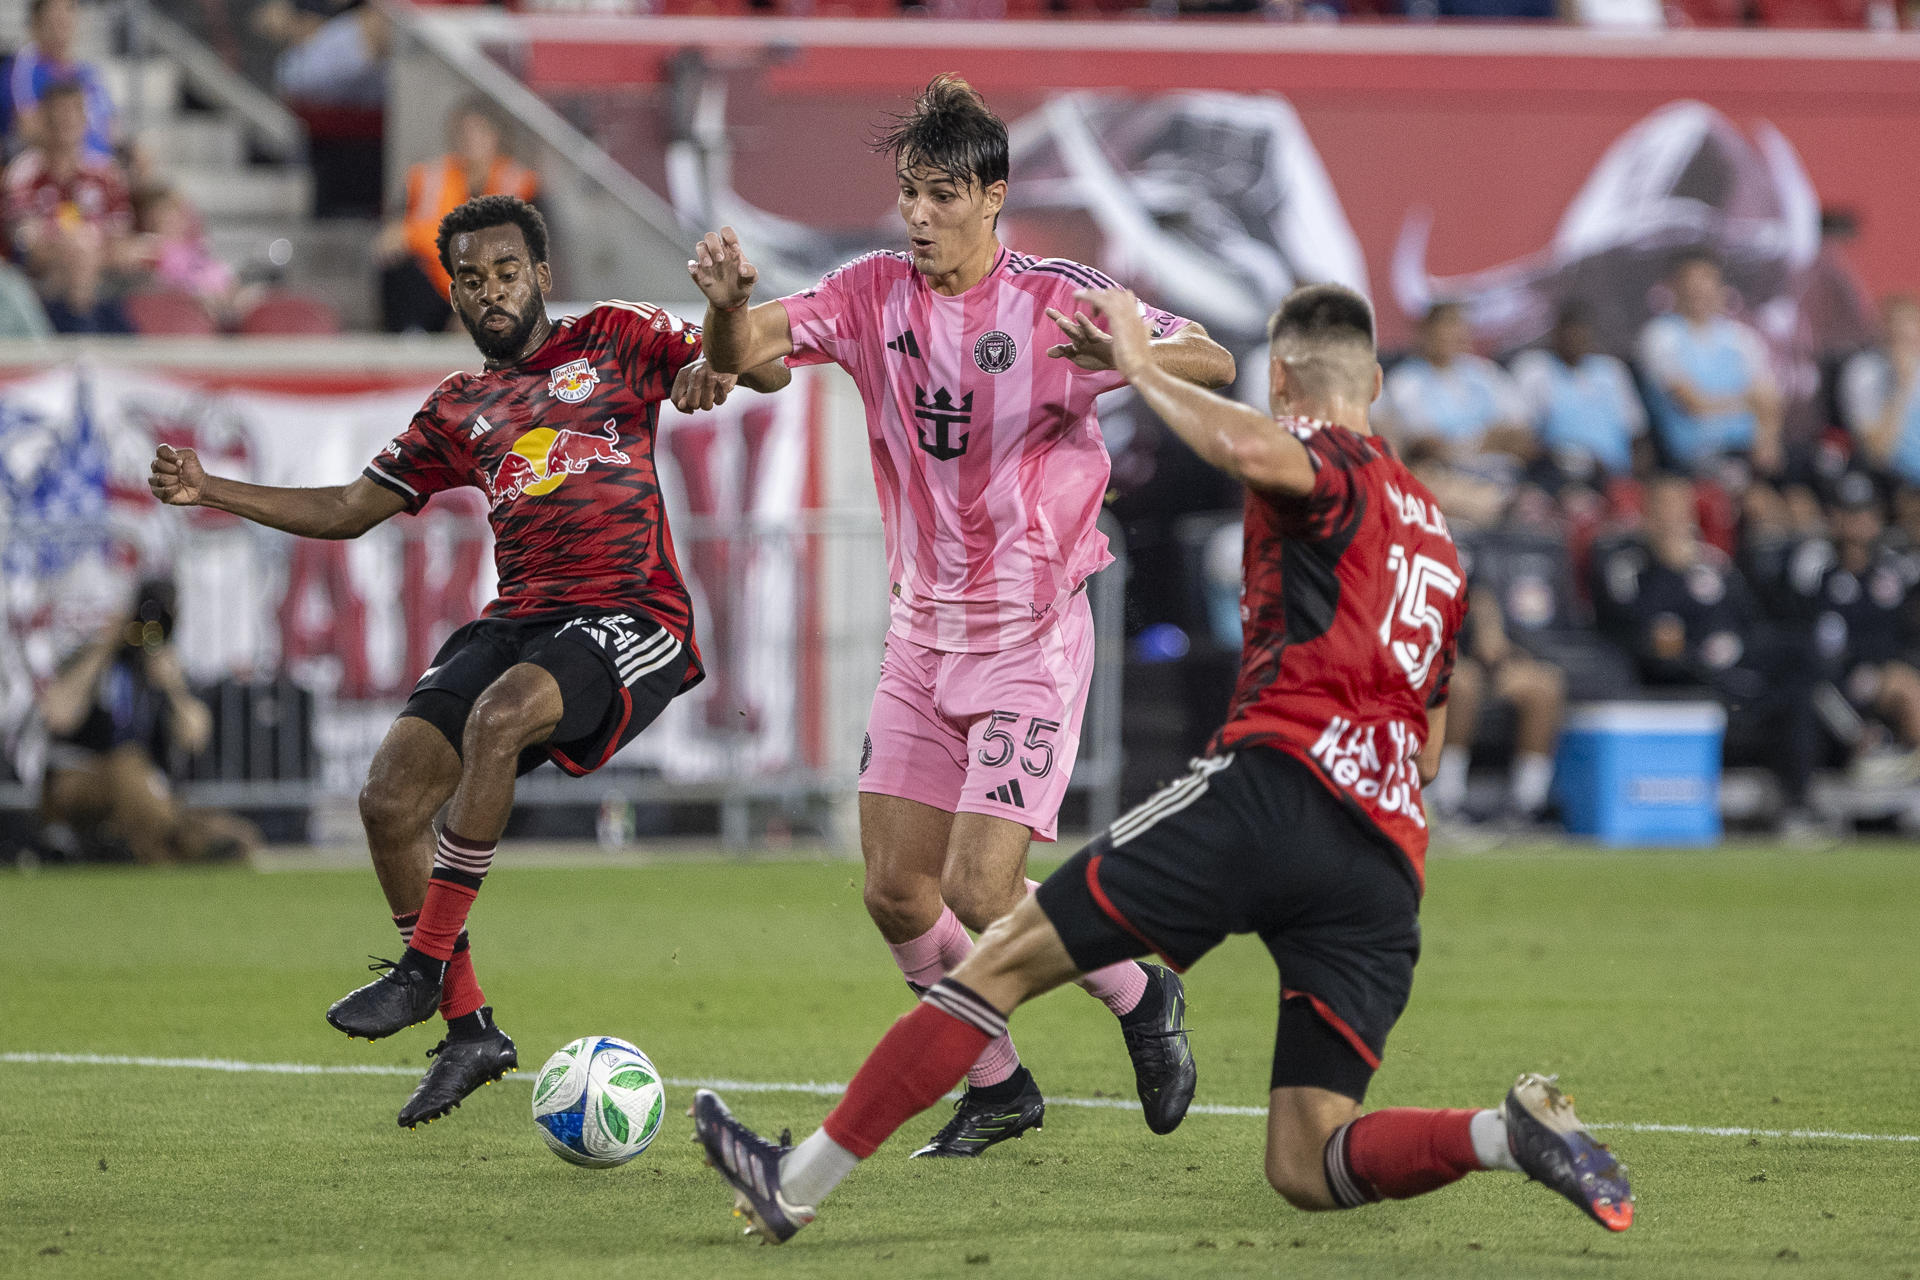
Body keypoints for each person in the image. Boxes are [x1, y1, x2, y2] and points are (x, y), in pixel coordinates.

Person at [690, 283, 1634, 1244]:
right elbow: (1429, 749)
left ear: (1279, 379)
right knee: (1307, 1161)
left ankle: (795, 1181)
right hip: (1385, 857)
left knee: (997, 961)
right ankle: (1500, 1136)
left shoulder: (1318, 455)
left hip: (1275, 788)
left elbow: (1258, 450)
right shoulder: (1434, 536)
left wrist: (1137, 364)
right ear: (1380, 382)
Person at [149, 195, 789, 1128]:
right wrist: (213, 487)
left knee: (499, 717)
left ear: (543, 277)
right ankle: (468, 1028)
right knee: (388, 798)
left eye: (507, 271)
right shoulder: (458, 406)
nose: (491, 291)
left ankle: (420, 966)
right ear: (453, 292)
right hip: (521, 618)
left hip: (630, 611)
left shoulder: (615, 338)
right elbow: (344, 509)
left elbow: (756, 368)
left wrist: (725, 320)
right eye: (472, 278)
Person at [688, 74, 1236, 1157]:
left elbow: (1213, 357)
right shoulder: (866, 294)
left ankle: (1140, 994)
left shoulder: (1055, 299)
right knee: (895, 892)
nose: (921, 216)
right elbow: (743, 356)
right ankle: (998, 1083)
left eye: (943, 194)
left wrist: (1131, 355)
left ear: (993, 195)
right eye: (909, 194)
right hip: (920, 635)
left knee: (980, 885)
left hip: (1030, 635)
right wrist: (720, 303)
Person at [1593, 473, 1823, 834]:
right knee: (1676, 661)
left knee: (1799, 660)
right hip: (1680, 677)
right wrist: (1668, 569)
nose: (1672, 517)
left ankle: (1799, 806)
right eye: (1663, 507)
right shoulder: (1629, 562)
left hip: (1736, 669)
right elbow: (1634, 628)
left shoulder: (1714, 562)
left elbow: (1750, 622)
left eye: (1679, 507)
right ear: (1646, 511)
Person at [36, 578, 261, 865]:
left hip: (146, 793)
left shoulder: (161, 667)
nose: (145, 631)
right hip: (79, 781)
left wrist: (173, 687)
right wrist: (104, 647)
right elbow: (58, 716)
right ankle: (175, 846)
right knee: (128, 766)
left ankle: (171, 842)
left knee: (242, 837)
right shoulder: (93, 657)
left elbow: (195, 737)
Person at [377, 100, 540, 334]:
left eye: (479, 132)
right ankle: (412, 336)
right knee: (398, 265)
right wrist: (403, 235)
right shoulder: (427, 177)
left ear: (497, 136)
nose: (471, 140)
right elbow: (393, 234)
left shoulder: (521, 184)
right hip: (435, 283)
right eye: (464, 133)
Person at [2, 78, 140, 333]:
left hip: (102, 275)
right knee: (78, 260)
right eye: (58, 114)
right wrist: (76, 251)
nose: (65, 121)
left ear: (85, 119)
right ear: (43, 119)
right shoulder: (24, 173)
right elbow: (28, 248)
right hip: (43, 280)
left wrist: (87, 253)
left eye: (74, 112)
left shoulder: (105, 174)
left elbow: (121, 242)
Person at [1637, 252, 1783, 478]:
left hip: (1747, 449)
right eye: (1691, 282)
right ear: (1674, 287)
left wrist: (1767, 441)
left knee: (1799, 496)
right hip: (1693, 456)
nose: (1699, 290)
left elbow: (1769, 400)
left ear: (1720, 287)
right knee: (1755, 500)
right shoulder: (1660, 336)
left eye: (1706, 281)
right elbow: (1692, 403)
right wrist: (1748, 403)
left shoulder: (1741, 337)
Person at [1509, 302, 1649, 490]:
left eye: (1582, 335)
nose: (1575, 341)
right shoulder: (1535, 370)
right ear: (1556, 335)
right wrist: (1572, 459)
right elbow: (1524, 438)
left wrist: (1635, 478)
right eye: (1569, 335)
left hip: (1615, 475)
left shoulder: (1611, 370)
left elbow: (1637, 434)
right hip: (1562, 475)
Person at [1380, 302, 1530, 465]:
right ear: (1425, 333)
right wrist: (1481, 445)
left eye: (1458, 325)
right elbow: (1425, 444)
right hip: (1449, 474)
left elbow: (1520, 431)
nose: (1454, 333)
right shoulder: (1405, 381)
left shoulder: (1483, 371)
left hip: (1506, 468)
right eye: (1446, 326)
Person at [8, 0, 123, 170]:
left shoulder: (89, 72)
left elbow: (111, 128)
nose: (62, 26)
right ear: (37, 24)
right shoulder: (24, 69)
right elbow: (28, 128)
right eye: (54, 19)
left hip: (102, 166)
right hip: (64, 169)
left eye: (67, 17)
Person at [1840, 295, 1920, 488]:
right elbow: (1877, 453)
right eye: (1895, 326)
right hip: (1895, 481)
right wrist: (1901, 386)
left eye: (1910, 325)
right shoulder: (1865, 372)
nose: (1902, 334)